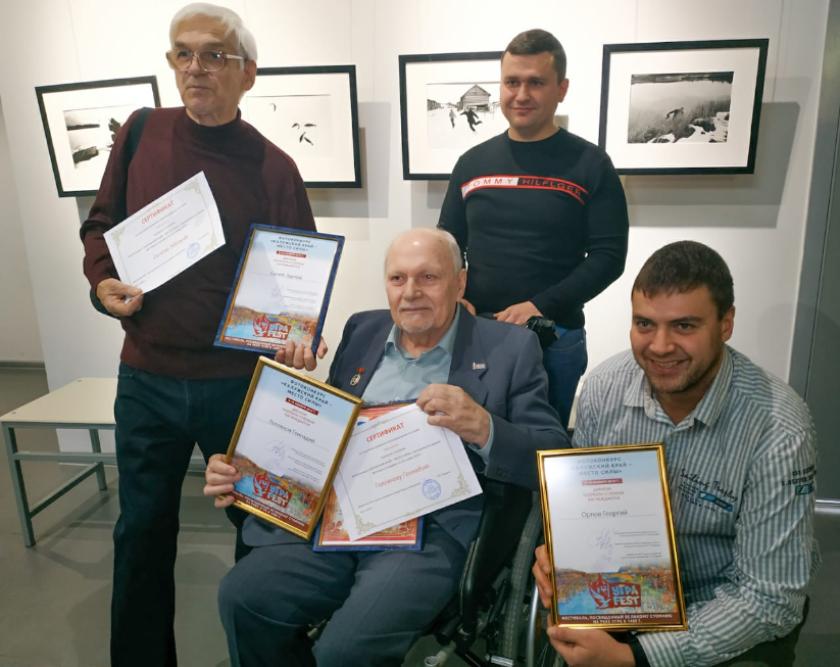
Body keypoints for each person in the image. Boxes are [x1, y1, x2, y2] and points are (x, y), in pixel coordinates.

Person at [204, 228, 567, 666]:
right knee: (242, 597)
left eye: (428, 277)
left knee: (343, 653)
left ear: (460, 283)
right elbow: (326, 432)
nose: (410, 292)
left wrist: (485, 427)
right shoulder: (364, 328)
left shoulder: (510, 347)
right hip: (338, 518)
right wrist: (248, 467)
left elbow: (552, 456)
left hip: (428, 531)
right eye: (398, 279)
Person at [78, 4, 316, 665]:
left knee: (259, 527)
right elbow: (99, 226)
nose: (195, 68)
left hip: (236, 384)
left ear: (249, 73)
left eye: (214, 54)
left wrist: (298, 335)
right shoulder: (139, 133)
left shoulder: (274, 168)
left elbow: (298, 277)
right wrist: (102, 282)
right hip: (146, 377)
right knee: (141, 531)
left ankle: (258, 652)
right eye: (182, 53)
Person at [532, 241, 818, 666]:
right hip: (620, 593)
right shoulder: (604, 388)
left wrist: (637, 657)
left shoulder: (778, 428)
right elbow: (581, 510)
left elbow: (769, 598)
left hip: (723, 608)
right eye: (644, 324)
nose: (660, 346)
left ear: (726, 323)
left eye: (684, 326)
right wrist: (558, 554)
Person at [439, 28, 629, 428]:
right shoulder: (472, 164)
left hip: (554, 338)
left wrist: (539, 306)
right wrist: (456, 297)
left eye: (536, 83)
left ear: (562, 89)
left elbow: (609, 257)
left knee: (541, 451)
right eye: (512, 82)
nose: (521, 94)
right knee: (471, 445)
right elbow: (447, 246)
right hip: (477, 333)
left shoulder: (591, 164)